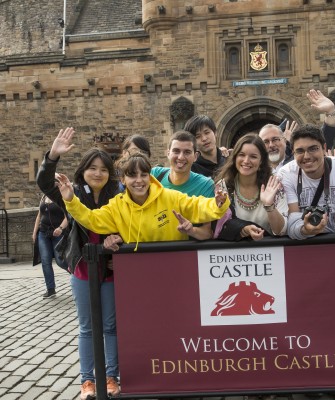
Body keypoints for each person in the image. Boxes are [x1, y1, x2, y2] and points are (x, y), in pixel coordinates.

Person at [36, 127, 121, 400]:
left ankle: (111, 376)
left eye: (103, 169)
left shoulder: (118, 195)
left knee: (110, 326)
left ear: (110, 173)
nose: (98, 173)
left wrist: (118, 243)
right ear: (83, 171)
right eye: (92, 168)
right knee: (87, 327)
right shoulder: (71, 193)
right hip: (83, 269)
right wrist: (52, 156)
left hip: (110, 269)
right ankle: (87, 381)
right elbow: (44, 182)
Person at [55, 152, 230, 252]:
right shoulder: (117, 206)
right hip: (137, 269)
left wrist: (217, 204)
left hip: (175, 265)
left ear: (150, 177)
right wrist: (71, 200)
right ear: (123, 180)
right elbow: (91, 219)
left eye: (144, 175)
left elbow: (198, 206)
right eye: (132, 175)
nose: (139, 180)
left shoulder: (171, 197)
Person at [213, 133, 287, 241]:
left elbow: (280, 231)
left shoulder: (274, 185)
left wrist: (269, 206)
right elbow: (220, 227)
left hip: (270, 249)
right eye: (242, 155)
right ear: (235, 157)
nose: (246, 161)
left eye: (253, 156)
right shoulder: (222, 187)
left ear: (261, 161)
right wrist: (243, 229)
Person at [32, 194, 68, 298]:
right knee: (45, 261)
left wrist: (60, 228)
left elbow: (67, 216)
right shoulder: (43, 197)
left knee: (60, 260)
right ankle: (50, 289)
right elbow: (39, 216)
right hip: (43, 233)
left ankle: (77, 274)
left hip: (58, 233)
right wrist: (34, 232)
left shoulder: (61, 196)